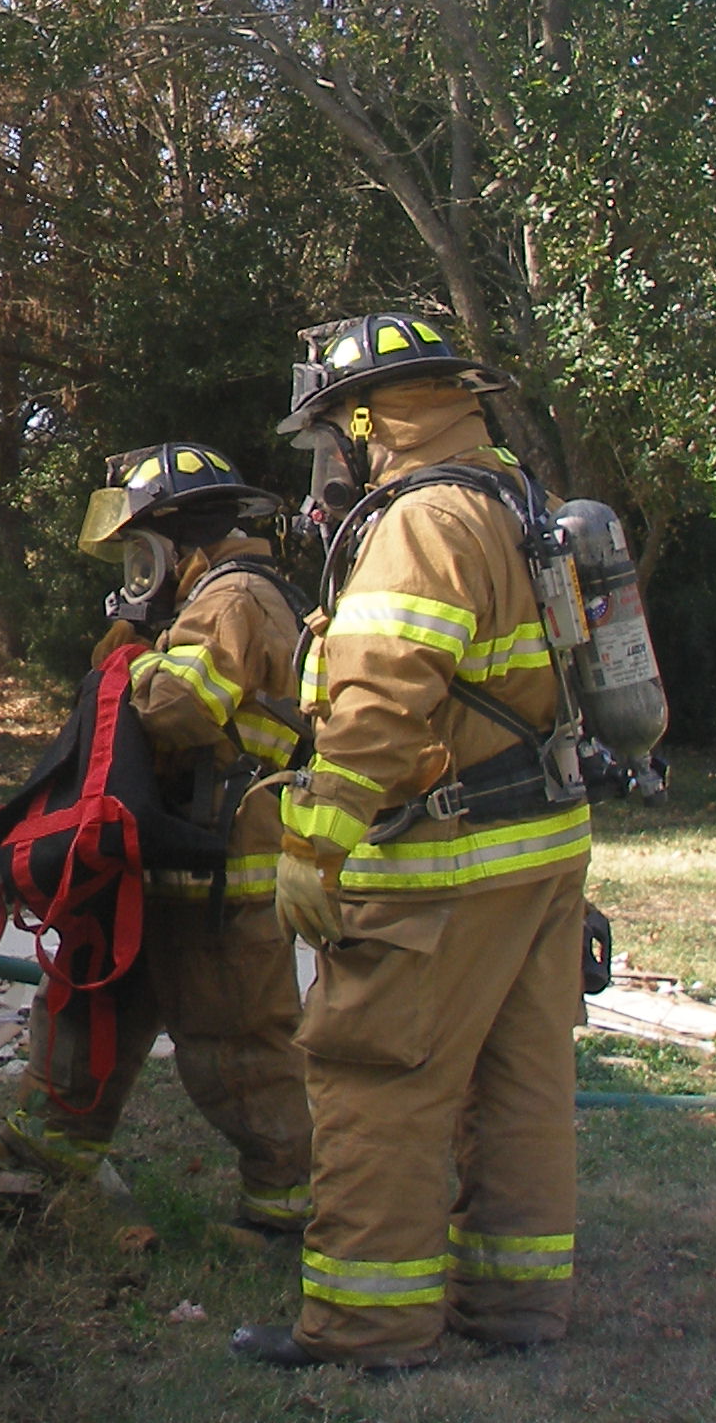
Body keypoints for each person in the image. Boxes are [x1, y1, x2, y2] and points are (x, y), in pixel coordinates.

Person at [232, 313, 591, 1374]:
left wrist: (316, 845)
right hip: (539, 848)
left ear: (367, 420)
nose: (326, 467)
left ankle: (368, 1325)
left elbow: (382, 702)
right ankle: (515, 1305)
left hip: (445, 863)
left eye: (328, 438)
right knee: (521, 1086)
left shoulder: (422, 522)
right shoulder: (510, 497)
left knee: (375, 1081)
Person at [7, 442, 314, 1237]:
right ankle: (48, 1152)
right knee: (93, 999)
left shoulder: (235, 596)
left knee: (233, 1042)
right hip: (164, 855)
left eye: (140, 551)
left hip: (222, 869)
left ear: (180, 537)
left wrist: (133, 662)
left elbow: (182, 708)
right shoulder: (202, 596)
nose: (135, 573)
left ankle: (286, 1204)